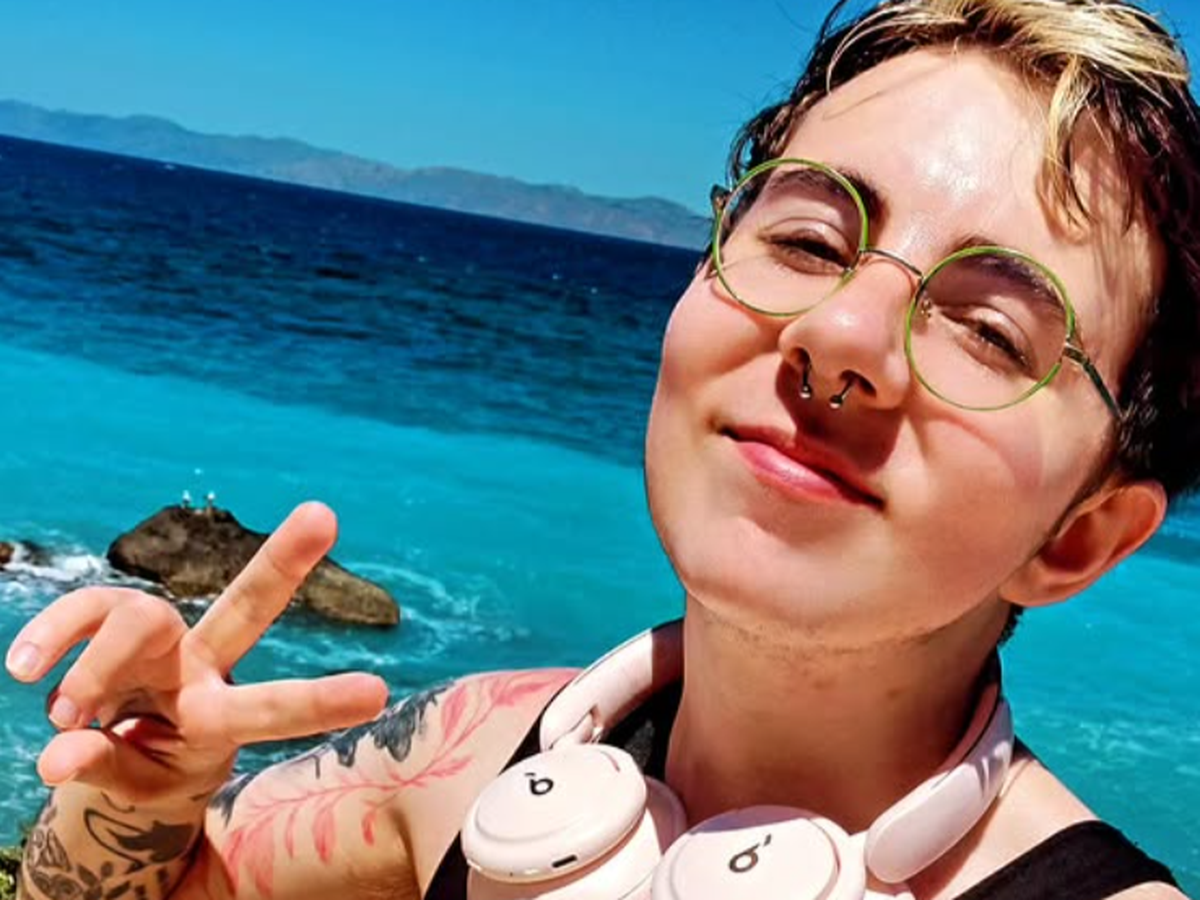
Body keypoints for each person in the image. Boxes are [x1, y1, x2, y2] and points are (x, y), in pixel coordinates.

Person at [7, 0, 1199, 897]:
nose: (839, 335)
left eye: (990, 331)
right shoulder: (474, 751)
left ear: (1083, 538)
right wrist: (139, 800)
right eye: (807, 241)